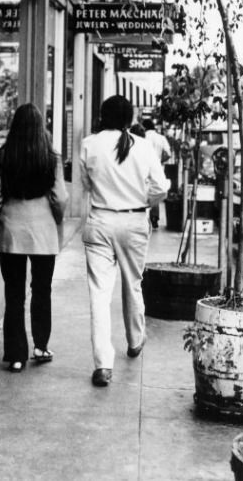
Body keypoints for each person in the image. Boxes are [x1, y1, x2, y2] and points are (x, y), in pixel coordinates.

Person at [80, 96, 169, 388]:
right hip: (133, 221)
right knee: (132, 283)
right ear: (129, 119)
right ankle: (134, 340)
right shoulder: (142, 146)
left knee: (99, 294)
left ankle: (103, 365)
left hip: (101, 221)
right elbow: (161, 188)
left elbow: (85, 184)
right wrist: (143, 201)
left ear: (102, 116)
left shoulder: (89, 144)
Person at [0, 103, 68, 373]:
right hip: (43, 233)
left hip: (11, 233)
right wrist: (54, 218)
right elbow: (60, 198)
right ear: (40, 127)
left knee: (14, 294)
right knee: (42, 290)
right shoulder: (52, 158)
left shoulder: (2, 156)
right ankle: (41, 346)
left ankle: (16, 355)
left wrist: (3, 217)